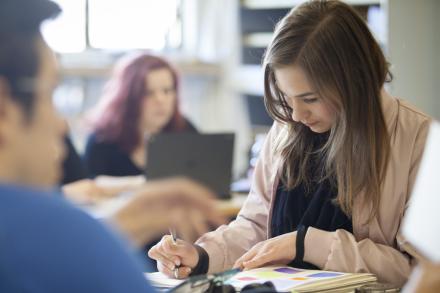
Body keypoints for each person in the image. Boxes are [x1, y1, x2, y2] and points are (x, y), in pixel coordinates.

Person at [149, 0, 431, 288]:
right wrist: (201, 255)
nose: (296, 114)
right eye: (286, 97)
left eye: (310, 99)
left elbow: (421, 271)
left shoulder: (419, 139)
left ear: (354, 82)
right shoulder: (287, 129)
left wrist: (306, 244)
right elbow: (255, 227)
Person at [0, 0, 223, 291]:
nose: (61, 124)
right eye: (51, 93)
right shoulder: (43, 234)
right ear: (5, 111)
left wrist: (112, 228)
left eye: (167, 91)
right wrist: (94, 240)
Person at [84, 53, 196, 178]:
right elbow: (88, 188)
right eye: (148, 93)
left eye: (167, 91)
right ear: (128, 97)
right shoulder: (102, 139)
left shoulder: (185, 130)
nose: (160, 100)